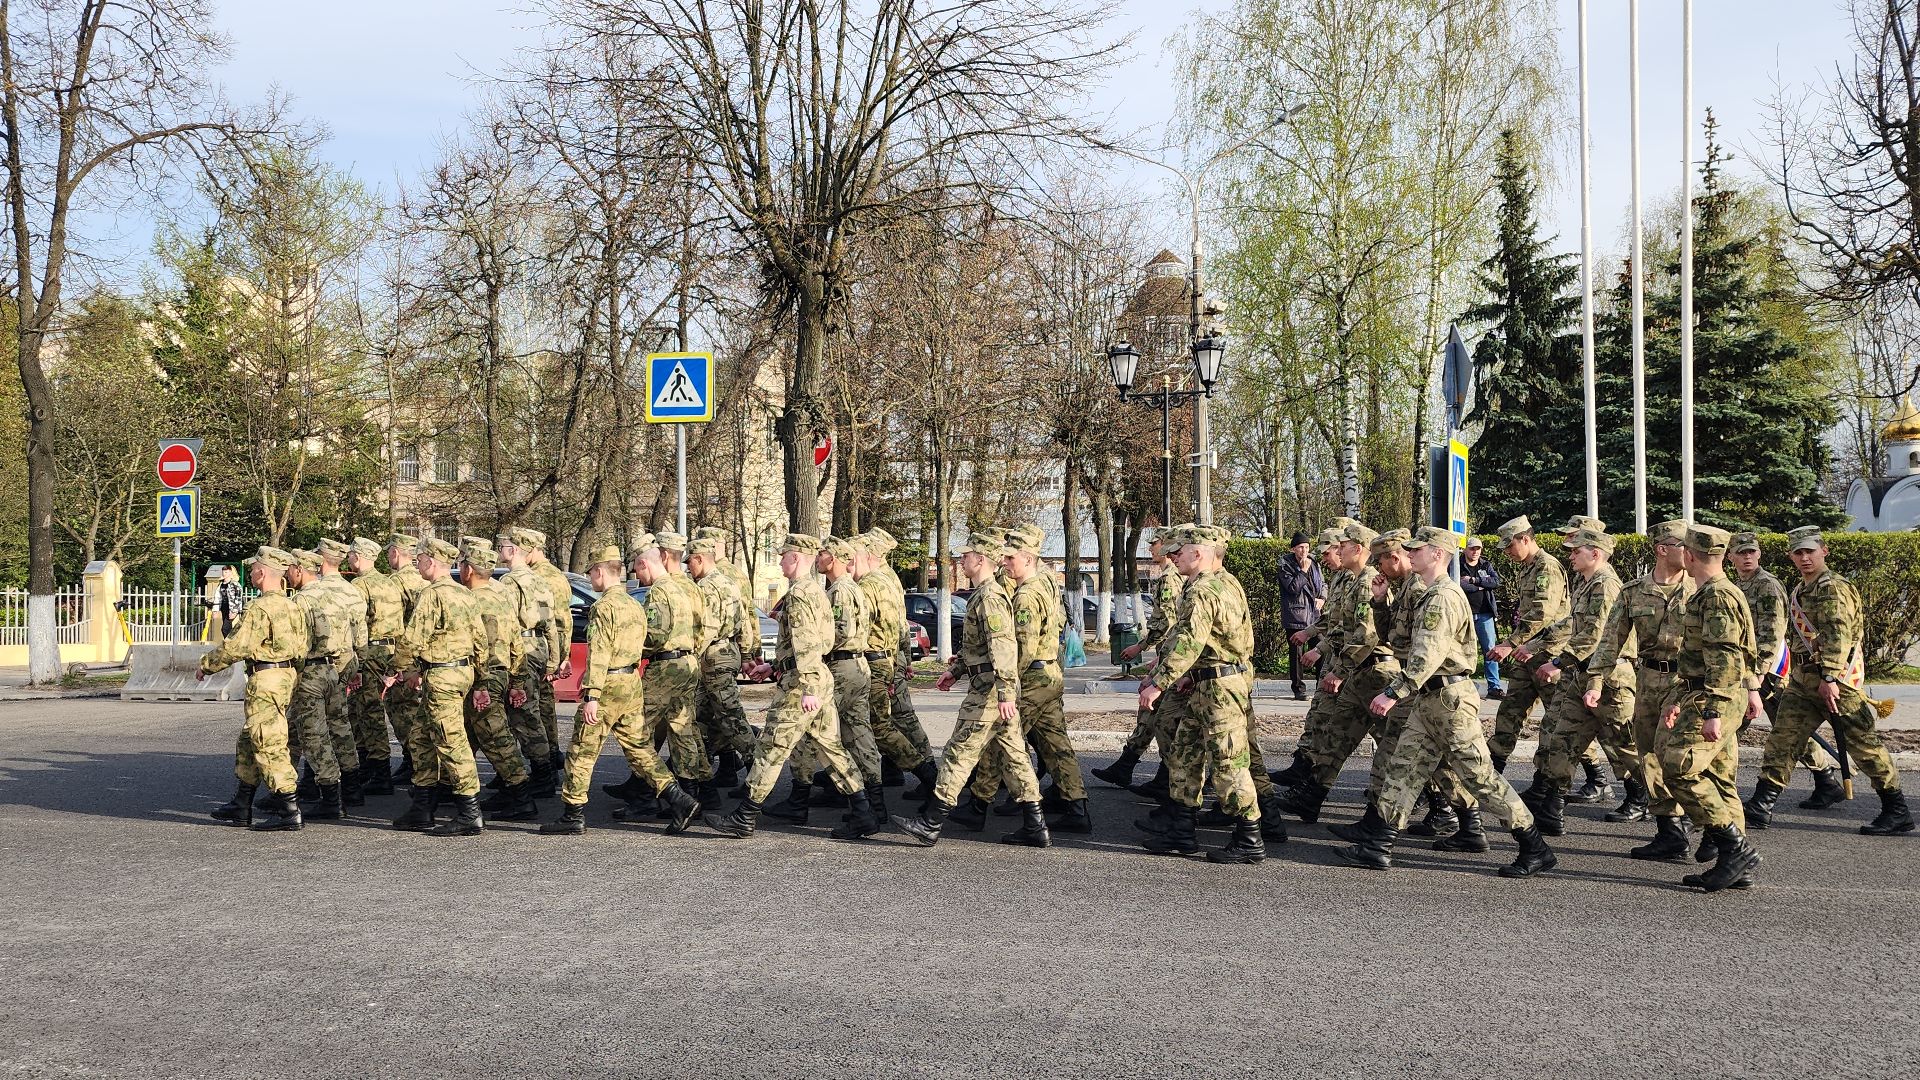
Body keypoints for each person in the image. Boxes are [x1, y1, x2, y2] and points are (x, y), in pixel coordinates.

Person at [1334, 526, 1554, 876]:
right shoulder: (1429, 593)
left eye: (1417, 549)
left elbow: (1426, 655)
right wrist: (1379, 603)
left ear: (1437, 553)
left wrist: (1393, 692)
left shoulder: (1442, 597)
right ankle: (1378, 846)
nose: (1410, 554)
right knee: (1403, 769)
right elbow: (1402, 638)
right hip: (1429, 699)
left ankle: (1533, 845)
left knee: (1480, 778)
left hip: (1450, 700)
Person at [705, 532, 875, 840]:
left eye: (783, 555)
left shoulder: (799, 594)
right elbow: (815, 642)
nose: (781, 560)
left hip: (802, 683)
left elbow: (807, 642)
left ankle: (745, 816)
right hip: (816, 675)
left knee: (772, 746)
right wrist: (777, 665)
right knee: (831, 747)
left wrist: (807, 684)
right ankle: (863, 811)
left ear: (795, 557)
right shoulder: (816, 591)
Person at [1746, 527, 1912, 837]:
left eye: (1810, 551)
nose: (1804, 557)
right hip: (1802, 680)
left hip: (1837, 682)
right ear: (1791, 556)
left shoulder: (1832, 587)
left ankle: (1896, 809)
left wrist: (1829, 677)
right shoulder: (1801, 590)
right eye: (1798, 552)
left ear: (1824, 551)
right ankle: (1761, 804)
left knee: (1864, 747)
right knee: (1783, 739)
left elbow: (1839, 635)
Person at [893, 531, 1049, 848]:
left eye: (965, 556)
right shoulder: (983, 595)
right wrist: (956, 670)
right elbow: (979, 649)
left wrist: (1005, 692)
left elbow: (1003, 647)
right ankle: (1036, 826)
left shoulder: (990, 597)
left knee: (958, 753)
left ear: (980, 559)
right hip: (992, 685)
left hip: (990, 691)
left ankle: (931, 822)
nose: (961, 560)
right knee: (1016, 758)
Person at [539, 544, 702, 836]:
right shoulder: (633, 604)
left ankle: (572, 813)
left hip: (609, 684)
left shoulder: (603, 608)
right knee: (640, 748)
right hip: (631, 683)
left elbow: (599, 653)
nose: (590, 579)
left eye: (591, 573)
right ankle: (679, 799)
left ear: (600, 571)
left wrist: (591, 694)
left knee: (582, 748)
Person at [967, 523, 1090, 834]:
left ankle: (979, 804)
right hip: (1050, 673)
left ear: (1026, 557)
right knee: (1056, 744)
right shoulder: (1048, 584)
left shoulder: (1025, 595)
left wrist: (1006, 683)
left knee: (1003, 740)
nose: (1005, 563)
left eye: (1010, 558)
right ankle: (1077, 807)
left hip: (1033, 677)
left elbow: (1023, 646)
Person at [1582, 520, 1695, 858]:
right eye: (1682, 545)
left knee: (1683, 757)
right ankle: (1670, 832)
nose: (1690, 552)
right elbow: (1609, 641)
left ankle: (1710, 825)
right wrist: (1596, 681)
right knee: (1649, 755)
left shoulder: (1700, 588)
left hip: (1688, 683)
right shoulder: (1633, 591)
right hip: (1647, 681)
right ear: (1663, 549)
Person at [1659, 525, 1763, 891]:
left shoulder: (1717, 597)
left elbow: (1725, 658)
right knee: (1719, 777)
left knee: (1678, 766)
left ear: (1689, 555)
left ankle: (1734, 848)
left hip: (1713, 696)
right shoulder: (1715, 592)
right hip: (1711, 693)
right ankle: (1736, 865)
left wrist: (1713, 711)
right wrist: (1676, 698)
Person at [1523, 528, 1636, 835]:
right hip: (1581, 675)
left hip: (1609, 677)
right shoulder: (1585, 583)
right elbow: (1571, 624)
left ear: (1595, 553)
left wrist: (1558, 661)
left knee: (1625, 745)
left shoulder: (1607, 586)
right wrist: (1533, 646)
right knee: (1561, 738)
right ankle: (1552, 808)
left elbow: (1597, 635)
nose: (1570, 556)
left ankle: (1660, 809)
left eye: (1576, 551)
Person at [1729, 531, 1843, 811]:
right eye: (1741, 553)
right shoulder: (1737, 586)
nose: (1747, 557)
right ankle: (1826, 781)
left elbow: (1774, 632)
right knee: (1789, 730)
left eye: (1751, 552)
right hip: (1748, 670)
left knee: (1781, 729)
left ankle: (1731, 793)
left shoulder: (1766, 585)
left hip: (1768, 672)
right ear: (1730, 557)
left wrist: (1761, 672)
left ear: (1759, 555)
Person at [198, 547, 308, 832]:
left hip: (266, 677)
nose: (251, 573)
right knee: (250, 739)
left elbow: (237, 646)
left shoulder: (259, 608)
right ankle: (242, 804)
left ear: (261, 573)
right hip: (286, 676)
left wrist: (206, 665)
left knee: (267, 741)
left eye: (254, 569)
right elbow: (303, 648)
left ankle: (289, 809)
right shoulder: (293, 605)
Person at [388, 537, 489, 837]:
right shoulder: (465, 594)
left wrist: (395, 669)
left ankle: (470, 813)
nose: (417, 564)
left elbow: (413, 638)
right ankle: (423, 807)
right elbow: (481, 642)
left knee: (451, 741)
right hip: (458, 673)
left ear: (431, 562)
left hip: (443, 676)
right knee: (420, 738)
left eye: (419, 559)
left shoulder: (432, 595)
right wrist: (481, 680)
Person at [457, 537, 538, 822]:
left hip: (484, 677)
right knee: (469, 735)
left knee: (495, 737)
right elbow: (517, 644)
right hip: (500, 674)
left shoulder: (470, 601)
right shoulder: (501, 598)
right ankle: (452, 788)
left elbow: (473, 645)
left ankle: (520, 795)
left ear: (468, 570)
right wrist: (516, 682)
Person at [1093, 528, 1179, 791]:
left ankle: (1168, 780)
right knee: (1152, 712)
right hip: (1170, 655)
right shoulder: (1170, 577)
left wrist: (1142, 647)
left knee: (1164, 717)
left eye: (1154, 545)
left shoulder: (1169, 580)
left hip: (1174, 657)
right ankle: (1128, 766)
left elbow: (1168, 621)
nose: (1150, 549)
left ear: (1165, 546)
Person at [1485, 516, 1570, 773]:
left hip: (1548, 654)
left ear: (1525, 539)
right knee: (1511, 710)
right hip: (1527, 653)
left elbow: (1541, 615)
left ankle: (1594, 778)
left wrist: (1510, 643)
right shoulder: (1527, 567)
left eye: (1510, 546)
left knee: (1559, 718)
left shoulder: (1547, 568)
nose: (1508, 553)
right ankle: (1492, 772)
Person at [496, 527, 562, 797]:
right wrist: (553, 659)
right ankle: (541, 773)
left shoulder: (511, 583)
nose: (499, 551)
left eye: (502, 547)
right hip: (538, 647)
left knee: (523, 714)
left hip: (521, 648)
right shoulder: (540, 582)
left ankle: (541, 774)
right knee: (530, 712)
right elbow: (552, 625)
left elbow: (507, 626)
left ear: (512, 551)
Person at [344, 537, 405, 796]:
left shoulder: (360, 585)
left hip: (370, 650)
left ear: (357, 557)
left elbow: (356, 624)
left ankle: (378, 770)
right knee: (380, 709)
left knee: (367, 711)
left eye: (350, 555)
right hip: (391, 649)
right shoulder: (390, 583)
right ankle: (374, 767)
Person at [1277, 530, 1326, 701]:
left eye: (1306, 547)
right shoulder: (1285, 565)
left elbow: (1323, 583)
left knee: (1320, 648)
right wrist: (1302, 572)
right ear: (1293, 549)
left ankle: (1321, 687)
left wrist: (1323, 598)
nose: (1304, 551)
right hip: (1295, 615)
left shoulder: (1314, 562)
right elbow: (1292, 588)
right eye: (1300, 547)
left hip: (1315, 614)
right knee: (1296, 654)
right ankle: (1298, 689)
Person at [1460, 537, 1503, 698]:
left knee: (1490, 651)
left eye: (1478, 549)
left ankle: (1494, 686)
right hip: (1465, 614)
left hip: (1485, 614)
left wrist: (1475, 580)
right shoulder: (1458, 565)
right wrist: (1481, 585)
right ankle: (1464, 686)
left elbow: (1495, 582)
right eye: (1472, 548)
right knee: (1464, 651)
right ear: (1465, 549)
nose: (1475, 552)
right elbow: (1460, 585)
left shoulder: (1485, 565)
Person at [214, 565, 246, 639]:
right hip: (224, 608)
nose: (224, 574)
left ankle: (229, 644)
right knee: (228, 628)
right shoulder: (220, 584)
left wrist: (234, 611)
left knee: (225, 629)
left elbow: (238, 598)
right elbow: (217, 597)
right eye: (223, 572)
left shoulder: (235, 584)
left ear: (230, 573)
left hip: (232, 608)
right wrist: (215, 610)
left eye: (226, 572)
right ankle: (230, 644)